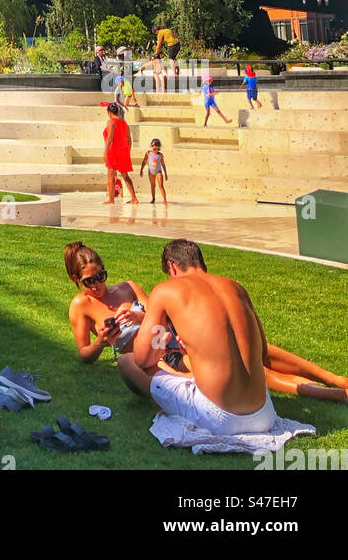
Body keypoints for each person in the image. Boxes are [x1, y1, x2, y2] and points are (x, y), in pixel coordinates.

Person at [118, 240, 280, 434]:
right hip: (264, 414)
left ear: (172, 267)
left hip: (219, 419)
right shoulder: (237, 287)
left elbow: (143, 359)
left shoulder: (166, 291)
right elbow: (262, 352)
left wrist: (161, 345)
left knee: (127, 362)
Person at [64, 242, 148, 362]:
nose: (97, 285)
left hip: (171, 340)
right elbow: (84, 355)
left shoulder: (129, 287)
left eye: (100, 276)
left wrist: (139, 316)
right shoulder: (81, 305)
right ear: (76, 279)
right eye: (89, 281)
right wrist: (100, 342)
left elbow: (166, 318)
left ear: (104, 268)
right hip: (153, 356)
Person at [104, 100, 138, 204]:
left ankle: (111, 200)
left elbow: (109, 138)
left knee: (111, 176)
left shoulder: (111, 122)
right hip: (123, 151)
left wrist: (105, 152)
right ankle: (134, 198)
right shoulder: (124, 123)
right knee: (125, 175)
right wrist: (128, 151)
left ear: (109, 113)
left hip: (113, 151)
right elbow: (129, 139)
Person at [139, 138, 169, 205]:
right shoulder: (148, 153)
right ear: (152, 146)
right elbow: (144, 162)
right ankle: (153, 198)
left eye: (157, 149)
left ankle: (164, 199)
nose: (156, 150)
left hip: (158, 171)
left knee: (161, 185)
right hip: (151, 172)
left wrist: (165, 173)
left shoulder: (160, 155)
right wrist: (141, 170)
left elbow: (163, 164)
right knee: (152, 185)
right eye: (154, 149)